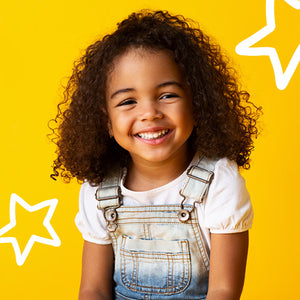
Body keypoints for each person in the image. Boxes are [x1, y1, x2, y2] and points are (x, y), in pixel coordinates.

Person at [50, 10, 261, 300]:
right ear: (107, 121)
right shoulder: (99, 189)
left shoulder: (219, 182)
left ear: (197, 102)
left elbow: (224, 291)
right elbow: (94, 289)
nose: (149, 113)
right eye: (128, 101)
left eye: (167, 95)